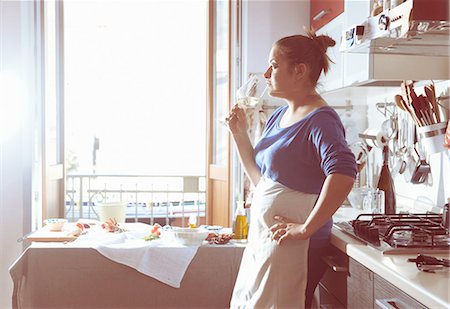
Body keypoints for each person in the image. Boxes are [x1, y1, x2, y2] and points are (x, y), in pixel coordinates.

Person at [226, 29, 357, 309]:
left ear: (299, 70)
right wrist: (239, 134)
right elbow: (262, 182)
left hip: (296, 248)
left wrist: (306, 229)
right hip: (267, 240)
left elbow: (344, 172)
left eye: (273, 65)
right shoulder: (279, 115)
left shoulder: (321, 120)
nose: (265, 74)